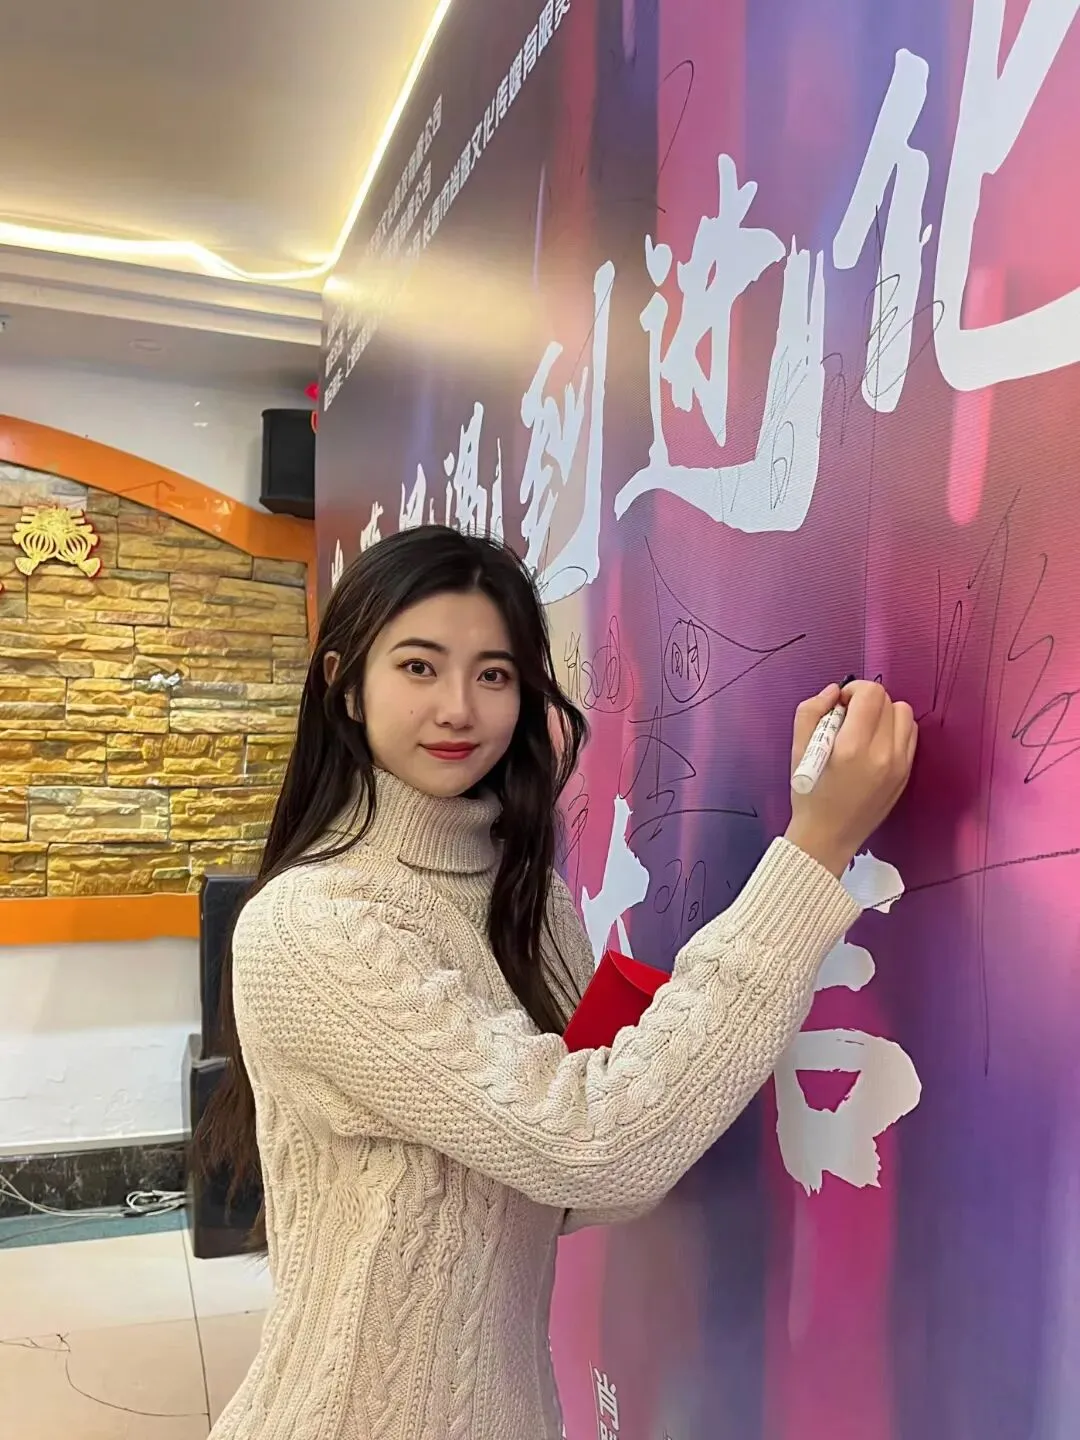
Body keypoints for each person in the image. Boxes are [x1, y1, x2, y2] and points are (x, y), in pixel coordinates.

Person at [195, 525, 917, 1440]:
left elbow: (601, 1184)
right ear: (344, 683)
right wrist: (813, 850)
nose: (459, 708)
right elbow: (595, 1145)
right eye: (418, 667)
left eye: (494, 674)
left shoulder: (522, 900)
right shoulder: (313, 922)